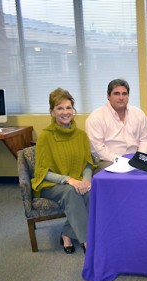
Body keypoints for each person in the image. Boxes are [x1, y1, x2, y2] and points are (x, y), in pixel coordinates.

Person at [32, 88, 94, 254]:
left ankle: (67, 234)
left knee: (90, 192)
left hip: (76, 182)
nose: (65, 112)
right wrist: (69, 180)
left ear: (73, 110)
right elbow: (42, 171)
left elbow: (87, 163)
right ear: (52, 112)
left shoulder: (81, 135)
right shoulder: (45, 137)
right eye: (60, 108)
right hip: (51, 184)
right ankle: (88, 241)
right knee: (71, 193)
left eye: (68, 108)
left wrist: (86, 181)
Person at [85, 79, 147, 173]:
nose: (121, 97)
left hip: (137, 159)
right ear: (108, 96)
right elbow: (97, 148)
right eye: (116, 93)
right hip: (108, 161)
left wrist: (139, 158)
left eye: (124, 94)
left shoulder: (138, 114)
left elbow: (145, 139)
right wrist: (121, 161)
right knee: (121, 175)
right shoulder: (96, 117)